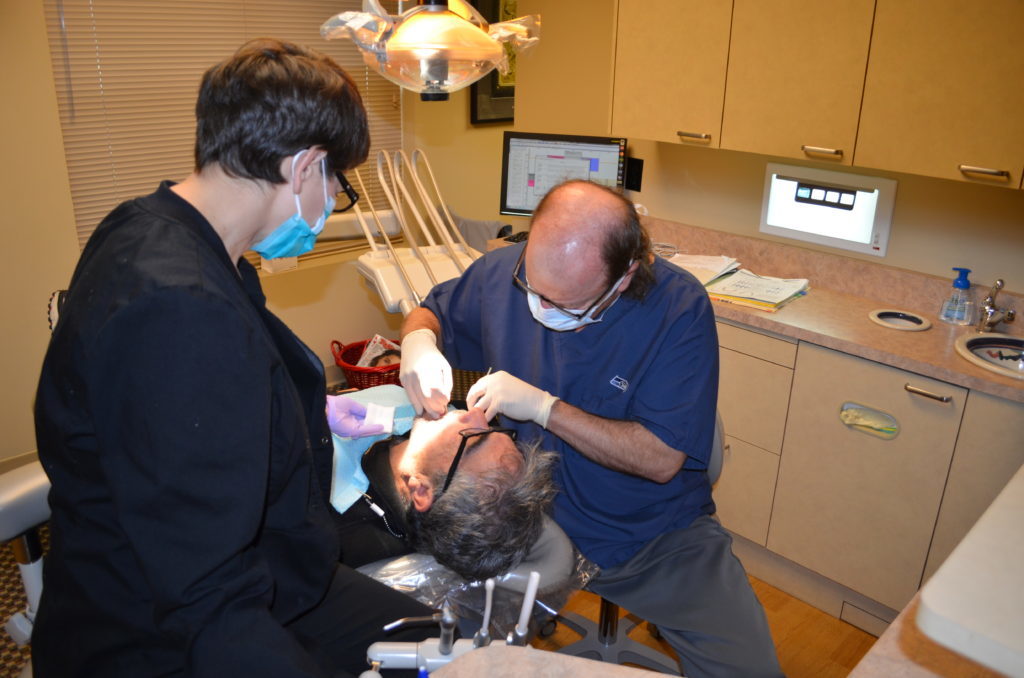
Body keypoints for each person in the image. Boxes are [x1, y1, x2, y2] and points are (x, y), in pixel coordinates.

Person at [33, 38, 433, 677]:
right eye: (338, 183)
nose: (333, 202)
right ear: (305, 168)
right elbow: (205, 599)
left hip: (260, 570)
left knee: (428, 640)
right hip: (152, 627)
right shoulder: (182, 310)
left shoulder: (145, 225)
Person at [398, 180, 784, 677]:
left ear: (625, 277)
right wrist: (419, 342)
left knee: (750, 669)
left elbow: (662, 458)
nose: (541, 310)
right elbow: (433, 311)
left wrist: (544, 408)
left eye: (567, 306)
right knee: (432, 648)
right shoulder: (503, 273)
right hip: (524, 521)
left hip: (647, 535)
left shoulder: (678, 309)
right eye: (533, 292)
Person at [325, 397, 557, 581]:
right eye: (492, 428)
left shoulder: (337, 521)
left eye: (473, 437)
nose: (475, 412)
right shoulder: (435, 426)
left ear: (422, 491)